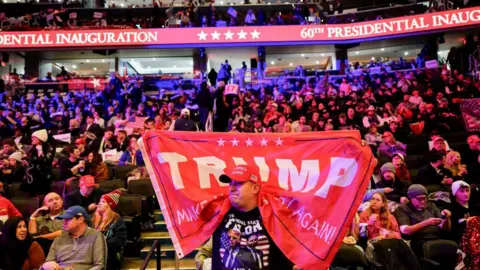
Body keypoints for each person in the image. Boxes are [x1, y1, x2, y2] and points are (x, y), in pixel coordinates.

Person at [196, 165, 296, 269]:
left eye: (238, 183)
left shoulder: (274, 217)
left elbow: (294, 255)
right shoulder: (220, 214)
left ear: (255, 188)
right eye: (231, 183)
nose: (232, 188)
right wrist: (204, 263)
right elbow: (204, 252)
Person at [41, 206, 107, 270]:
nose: (64, 222)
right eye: (64, 219)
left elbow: (100, 266)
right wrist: (45, 265)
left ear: (80, 219)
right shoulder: (59, 239)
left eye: (68, 219)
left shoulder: (96, 236)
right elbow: (47, 263)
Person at [394, 184, 451, 258]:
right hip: (419, 241)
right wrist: (426, 222)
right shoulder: (403, 209)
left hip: (437, 237)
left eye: (425, 198)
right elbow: (405, 230)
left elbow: (445, 228)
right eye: (420, 199)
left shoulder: (431, 205)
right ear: (411, 198)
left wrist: (446, 218)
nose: (423, 201)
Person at [91, 190, 127, 270]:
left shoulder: (117, 220)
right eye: (100, 201)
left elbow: (119, 240)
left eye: (103, 202)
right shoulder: (92, 219)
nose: (99, 203)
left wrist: (101, 243)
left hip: (108, 253)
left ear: (110, 205)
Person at [23, 129, 55, 195]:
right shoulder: (33, 148)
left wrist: (40, 151)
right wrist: (26, 162)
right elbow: (31, 160)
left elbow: (46, 161)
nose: (32, 139)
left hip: (43, 175)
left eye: (34, 138)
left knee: (42, 195)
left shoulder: (49, 147)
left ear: (40, 138)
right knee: (30, 195)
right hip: (32, 176)